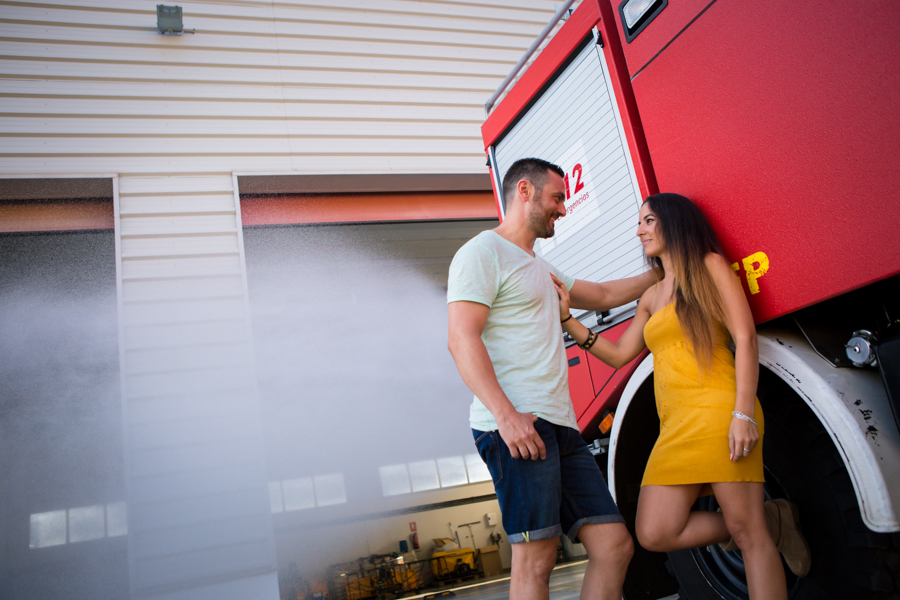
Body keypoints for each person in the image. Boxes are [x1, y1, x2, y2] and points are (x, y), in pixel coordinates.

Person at [551, 193, 811, 599]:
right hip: (675, 428)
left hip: (718, 411)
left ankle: (760, 524)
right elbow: (620, 355)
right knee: (653, 531)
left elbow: (744, 338)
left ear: (675, 222)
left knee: (749, 536)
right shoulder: (652, 295)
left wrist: (743, 414)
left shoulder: (708, 266)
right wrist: (568, 320)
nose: (639, 230)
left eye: (649, 220)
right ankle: (771, 518)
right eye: (640, 222)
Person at [446, 157, 659, 600]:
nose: (564, 208)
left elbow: (599, 294)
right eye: (557, 198)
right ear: (524, 191)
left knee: (615, 547)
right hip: (518, 426)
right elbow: (461, 339)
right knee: (536, 560)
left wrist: (662, 271)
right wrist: (507, 417)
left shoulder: (538, 266)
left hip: (560, 428)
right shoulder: (482, 252)